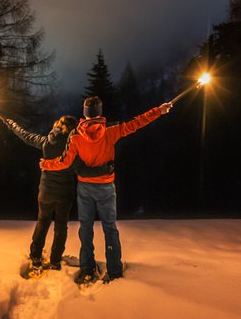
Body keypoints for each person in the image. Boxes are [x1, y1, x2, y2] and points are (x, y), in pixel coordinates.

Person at [39, 95, 172, 284]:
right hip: (105, 187)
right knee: (110, 228)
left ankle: (87, 268)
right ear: (99, 112)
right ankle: (114, 270)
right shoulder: (110, 130)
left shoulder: (75, 136)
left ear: (85, 114)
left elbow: (65, 162)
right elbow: (136, 123)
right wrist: (158, 111)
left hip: (85, 188)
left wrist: (46, 164)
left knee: (86, 228)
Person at [3, 114, 80, 271]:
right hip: (65, 194)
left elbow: (25, 135)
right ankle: (55, 260)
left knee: (43, 222)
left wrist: (12, 124)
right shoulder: (74, 147)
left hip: (46, 192)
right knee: (61, 227)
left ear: (58, 126)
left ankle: (36, 257)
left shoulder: (46, 142)